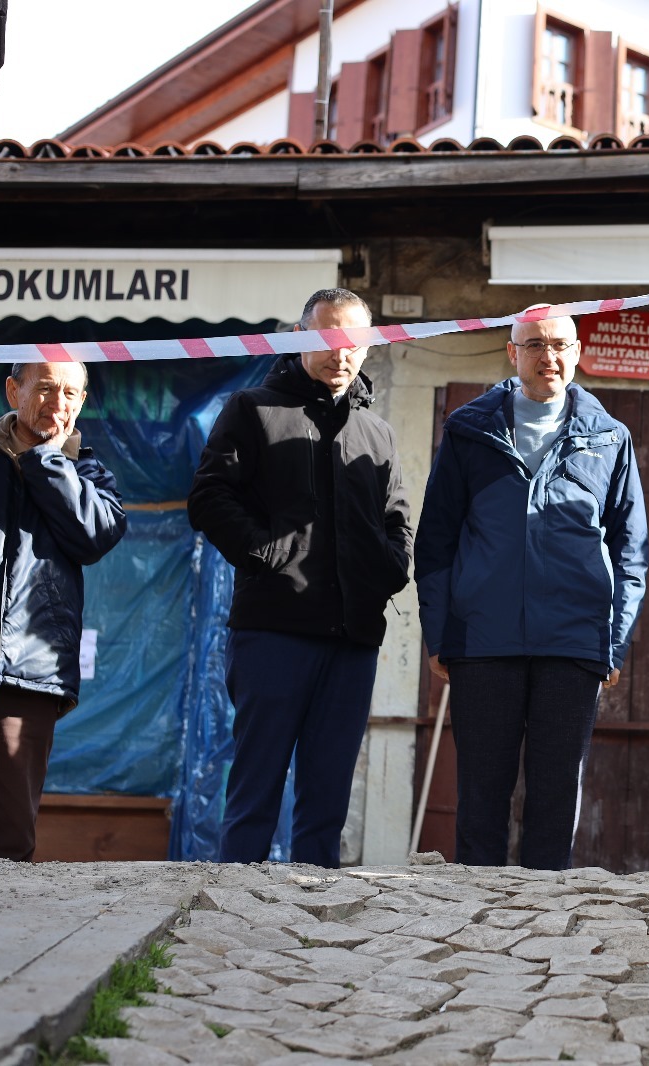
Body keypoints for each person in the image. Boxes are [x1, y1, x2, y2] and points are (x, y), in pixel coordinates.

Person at [415, 309, 648, 870]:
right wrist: (440, 633)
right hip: (482, 641)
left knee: (555, 792)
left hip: (572, 642)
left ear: (578, 351)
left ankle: (545, 926)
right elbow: (436, 541)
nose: (549, 356)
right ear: (511, 352)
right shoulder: (469, 430)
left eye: (560, 345)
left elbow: (630, 550)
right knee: (482, 792)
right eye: (535, 344)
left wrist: (612, 642)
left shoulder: (610, 437)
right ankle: (475, 922)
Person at [188, 288, 412, 867]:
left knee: (328, 798)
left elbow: (397, 521)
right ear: (299, 335)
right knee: (256, 789)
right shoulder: (253, 408)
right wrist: (268, 554)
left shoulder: (378, 433)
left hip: (352, 640)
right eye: (327, 336)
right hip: (273, 633)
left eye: (353, 340)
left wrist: (384, 571)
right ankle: (228, 914)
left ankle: (314, 933)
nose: (340, 352)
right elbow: (210, 498)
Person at [0, 361, 127, 861]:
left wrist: (48, 461)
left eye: (72, 393)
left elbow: (93, 536)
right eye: (46, 388)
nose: (59, 402)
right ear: (13, 390)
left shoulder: (90, 472)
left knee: (9, 839)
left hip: (32, 672)